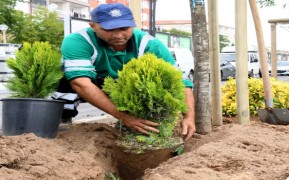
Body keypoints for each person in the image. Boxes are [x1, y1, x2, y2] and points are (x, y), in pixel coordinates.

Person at [55, 3, 196, 140]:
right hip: (92, 83)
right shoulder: (79, 41)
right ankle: (63, 117)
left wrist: (189, 117)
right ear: (93, 26)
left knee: (156, 85)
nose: (118, 35)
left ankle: (138, 126)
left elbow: (180, 81)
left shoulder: (150, 45)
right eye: (109, 29)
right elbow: (80, 83)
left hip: (127, 87)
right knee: (63, 78)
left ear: (133, 24)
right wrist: (123, 116)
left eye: (124, 28)